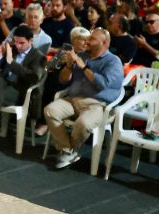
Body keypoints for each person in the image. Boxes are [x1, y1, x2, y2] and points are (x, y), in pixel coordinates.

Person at [44, 28, 125, 169]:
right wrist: (69, 65)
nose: (87, 41)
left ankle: (68, 150)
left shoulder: (113, 61)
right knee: (50, 110)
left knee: (84, 123)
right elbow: (63, 80)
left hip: (97, 104)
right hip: (73, 99)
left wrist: (83, 67)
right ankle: (68, 150)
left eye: (92, 39)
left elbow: (103, 84)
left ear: (104, 43)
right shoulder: (82, 55)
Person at [0, 25, 46, 151]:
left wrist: (11, 62)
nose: (18, 46)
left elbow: (32, 77)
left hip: (21, 92)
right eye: (16, 42)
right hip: (4, 88)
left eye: (22, 43)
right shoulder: (12, 49)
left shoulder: (38, 56)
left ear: (31, 41)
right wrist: (1, 55)